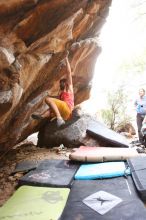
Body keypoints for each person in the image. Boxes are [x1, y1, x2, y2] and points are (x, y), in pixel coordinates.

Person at [32, 55, 74, 127]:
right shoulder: (61, 94)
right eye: (60, 83)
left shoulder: (69, 88)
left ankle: (59, 118)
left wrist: (66, 59)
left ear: (66, 82)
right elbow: (55, 100)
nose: (61, 84)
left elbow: (69, 72)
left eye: (62, 82)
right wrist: (47, 94)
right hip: (66, 115)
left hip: (67, 108)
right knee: (51, 109)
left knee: (48, 100)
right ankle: (42, 116)